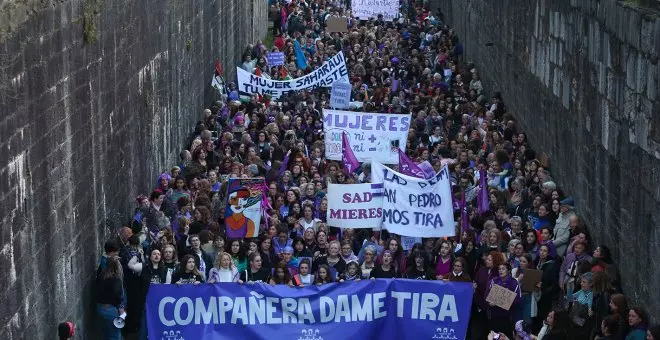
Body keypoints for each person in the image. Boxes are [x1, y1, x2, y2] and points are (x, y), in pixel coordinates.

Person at [486, 263, 522, 337]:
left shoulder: (514, 282)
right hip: (494, 316)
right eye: (499, 269)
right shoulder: (493, 281)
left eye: (503, 269)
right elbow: (486, 295)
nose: (501, 271)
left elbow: (518, 299)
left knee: (506, 336)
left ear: (508, 271)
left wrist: (504, 300)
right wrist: (489, 302)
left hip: (508, 317)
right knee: (495, 336)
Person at [96, 256, 125, 340]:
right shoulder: (116, 279)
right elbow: (117, 296)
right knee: (115, 335)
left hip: (100, 308)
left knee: (105, 334)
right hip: (111, 310)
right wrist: (121, 308)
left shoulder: (101, 276)